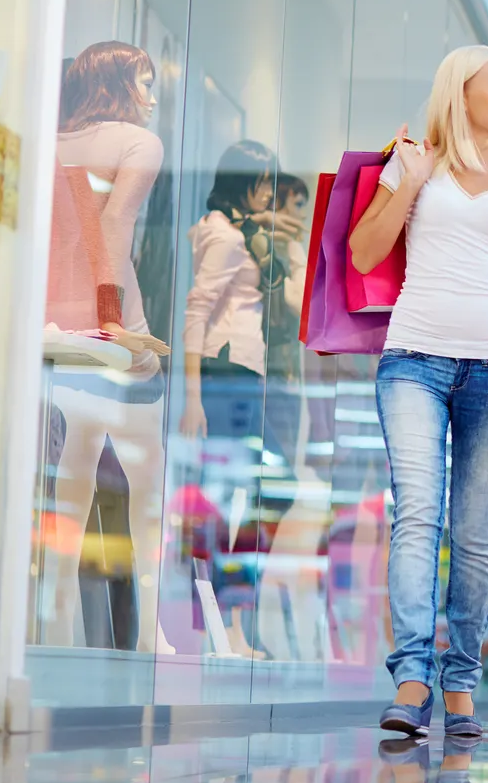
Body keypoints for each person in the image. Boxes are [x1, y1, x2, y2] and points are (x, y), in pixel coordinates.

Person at [351, 45, 488, 738]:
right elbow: (364, 252)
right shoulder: (415, 161)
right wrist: (407, 182)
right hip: (414, 359)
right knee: (417, 515)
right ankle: (412, 679)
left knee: (475, 531)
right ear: (460, 91)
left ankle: (461, 681)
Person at [46, 41, 174, 653]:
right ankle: (149, 632)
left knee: (69, 483)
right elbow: (114, 227)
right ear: (119, 85)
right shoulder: (138, 143)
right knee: (146, 485)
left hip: (53, 329)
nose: (151, 98)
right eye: (144, 83)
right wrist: (117, 323)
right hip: (112, 327)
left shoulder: (48, 142)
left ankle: (54, 625)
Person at [181, 139, 303, 657]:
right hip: (226, 373)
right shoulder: (226, 237)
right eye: (262, 182)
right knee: (250, 493)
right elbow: (196, 312)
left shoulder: (234, 231)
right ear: (242, 182)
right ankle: (217, 623)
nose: (269, 192)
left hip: (243, 376)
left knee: (256, 494)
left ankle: (228, 620)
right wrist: (193, 395)